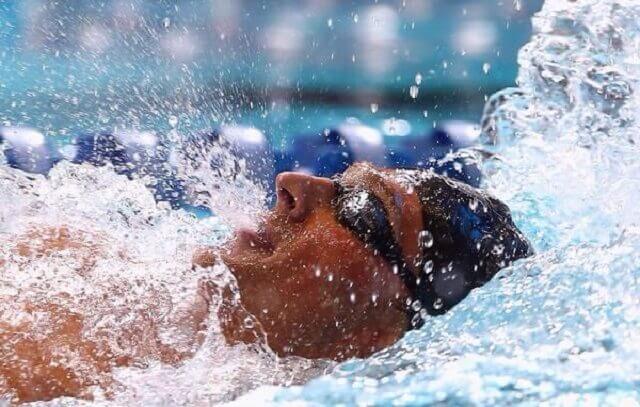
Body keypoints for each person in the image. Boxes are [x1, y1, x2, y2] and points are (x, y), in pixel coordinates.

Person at [0, 162, 531, 403]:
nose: (294, 185)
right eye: (338, 178)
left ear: (383, 333)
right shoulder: (63, 256)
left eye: (359, 208)